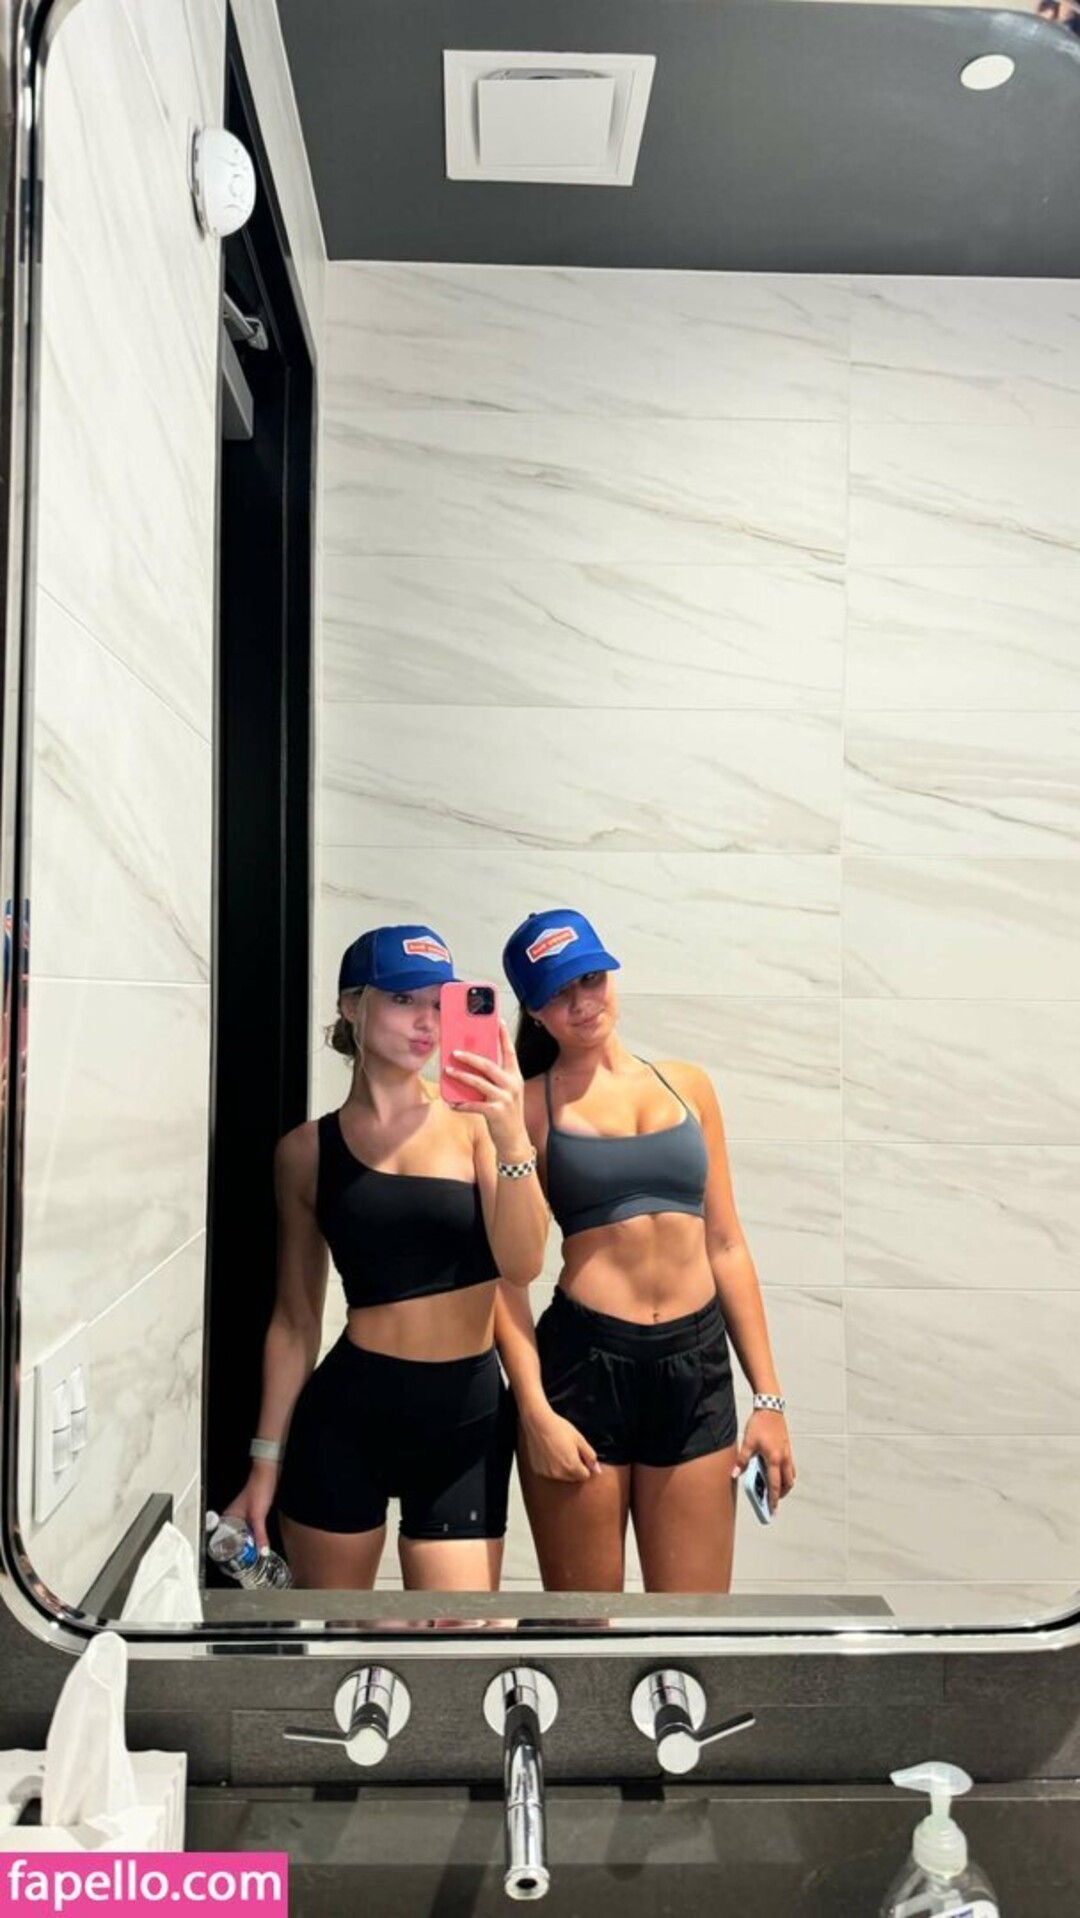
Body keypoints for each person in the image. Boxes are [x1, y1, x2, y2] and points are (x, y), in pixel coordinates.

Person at [223, 923, 548, 1592]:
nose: (427, 1022)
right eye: (404, 999)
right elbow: (294, 1322)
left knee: (457, 1639)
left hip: (466, 1421)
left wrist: (513, 1134)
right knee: (333, 1636)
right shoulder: (305, 1152)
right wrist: (263, 1464)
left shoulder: (477, 1126)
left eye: (438, 1002)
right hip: (348, 1418)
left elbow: (522, 1266)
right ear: (352, 1005)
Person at [494, 909, 795, 1594]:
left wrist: (769, 1399)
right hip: (583, 1371)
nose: (582, 1002)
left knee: (693, 1627)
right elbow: (505, 1279)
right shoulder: (526, 1110)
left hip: (695, 1367)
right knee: (586, 1630)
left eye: (591, 979)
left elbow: (726, 1244)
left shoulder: (689, 1087)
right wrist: (534, 1411)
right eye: (558, 993)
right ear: (533, 1011)